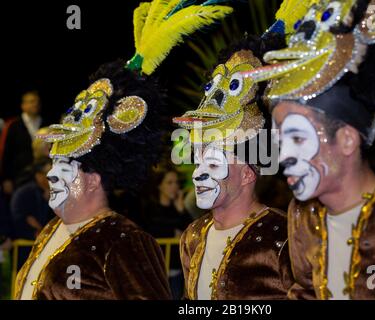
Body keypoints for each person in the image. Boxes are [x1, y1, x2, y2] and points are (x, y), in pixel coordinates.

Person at [15, 1, 233, 300]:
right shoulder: (51, 230)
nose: (50, 174)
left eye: (64, 165)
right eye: (53, 163)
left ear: (93, 179)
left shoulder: (124, 242)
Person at [243, 0, 375, 299]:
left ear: (347, 139)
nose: (283, 155)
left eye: (297, 139)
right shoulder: (305, 223)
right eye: (279, 141)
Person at [173, 0, 308, 298]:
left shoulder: (282, 237)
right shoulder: (193, 236)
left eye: (213, 162)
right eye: (198, 161)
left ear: (248, 173)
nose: (198, 174)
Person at [142, 166, 192, 300]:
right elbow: (149, 231)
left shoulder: (178, 208)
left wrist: (181, 210)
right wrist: (173, 231)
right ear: (159, 185)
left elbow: (190, 233)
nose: (174, 187)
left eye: (176, 183)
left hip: (176, 271)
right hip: (154, 273)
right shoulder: (149, 208)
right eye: (169, 183)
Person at [11, 158, 53, 268]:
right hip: (26, 251)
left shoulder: (58, 192)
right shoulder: (24, 193)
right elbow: (18, 218)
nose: (53, 176)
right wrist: (35, 231)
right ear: (38, 175)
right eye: (48, 172)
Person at [1, 90, 44, 194]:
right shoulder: (13, 125)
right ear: (23, 105)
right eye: (31, 101)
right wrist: (5, 179)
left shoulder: (45, 123)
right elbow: (5, 152)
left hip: (42, 178)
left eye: (37, 101)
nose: (35, 104)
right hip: (19, 178)